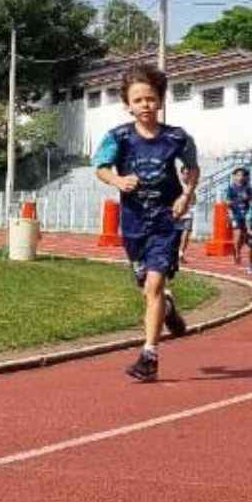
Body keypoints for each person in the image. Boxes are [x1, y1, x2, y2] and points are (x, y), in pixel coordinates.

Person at [94, 63, 199, 383]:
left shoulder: (177, 138)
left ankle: (149, 355)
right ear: (128, 104)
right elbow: (100, 167)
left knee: (154, 285)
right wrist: (117, 179)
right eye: (138, 100)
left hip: (165, 224)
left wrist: (186, 194)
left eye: (150, 99)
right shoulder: (118, 138)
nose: (145, 105)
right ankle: (167, 309)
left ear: (161, 100)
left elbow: (192, 169)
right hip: (133, 224)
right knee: (147, 289)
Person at [226, 167, 252, 265]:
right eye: (238, 175)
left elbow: (251, 200)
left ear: (245, 177)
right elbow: (228, 201)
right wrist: (230, 212)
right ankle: (237, 254)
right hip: (236, 214)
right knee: (237, 235)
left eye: (242, 175)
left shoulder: (248, 188)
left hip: (246, 215)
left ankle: (238, 250)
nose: (240, 177)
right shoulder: (231, 188)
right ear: (234, 177)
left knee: (244, 236)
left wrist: (248, 198)